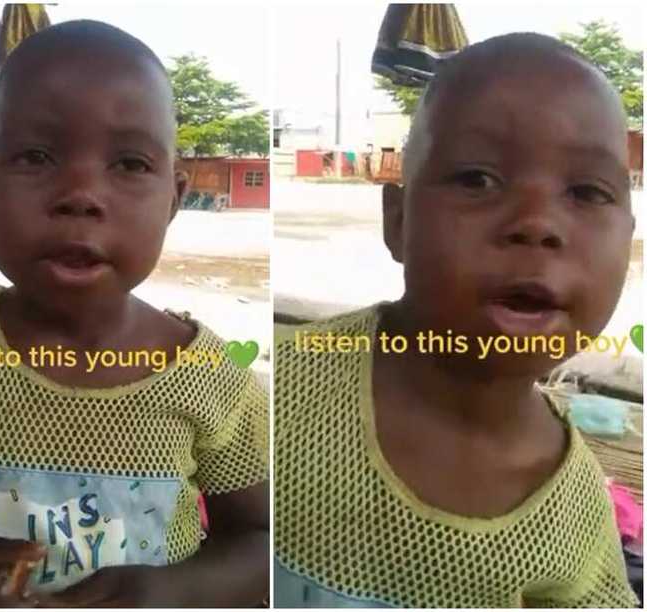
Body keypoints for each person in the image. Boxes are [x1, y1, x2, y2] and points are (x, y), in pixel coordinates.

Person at [0, 20, 269, 607]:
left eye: (128, 164)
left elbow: (257, 540)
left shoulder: (215, 382)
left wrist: (168, 593)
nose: (80, 193)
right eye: (35, 155)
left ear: (174, 199)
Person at [273, 33, 639, 608]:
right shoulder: (285, 397)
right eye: (477, 179)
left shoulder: (578, 527)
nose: (537, 224)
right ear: (397, 221)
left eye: (588, 191)